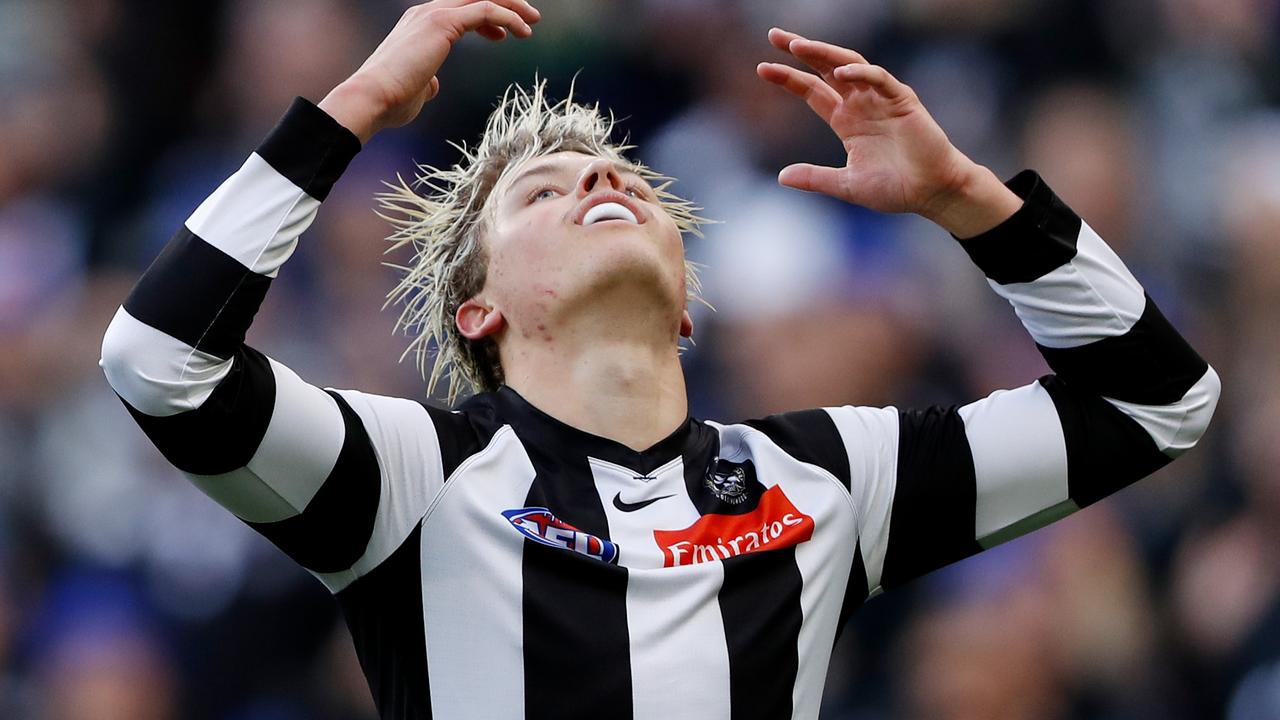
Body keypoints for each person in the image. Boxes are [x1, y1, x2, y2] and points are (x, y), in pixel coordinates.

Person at [99, 2, 1220, 718]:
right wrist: (346, 112)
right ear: (477, 311)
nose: (600, 182)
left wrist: (971, 203)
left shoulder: (824, 475)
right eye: (542, 192)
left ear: (684, 301)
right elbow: (159, 358)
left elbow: (1158, 401)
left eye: (625, 182)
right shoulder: (413, 477)